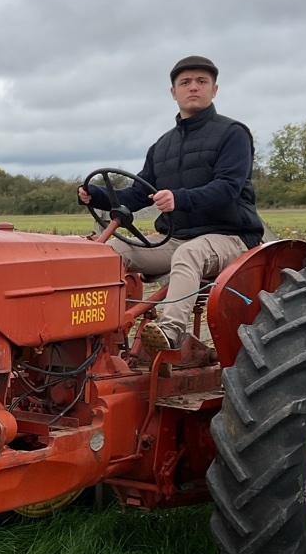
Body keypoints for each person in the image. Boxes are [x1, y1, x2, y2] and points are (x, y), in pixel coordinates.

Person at [79, 55, 264, 351]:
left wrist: (180, 199)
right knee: (111, 250)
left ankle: (170, 332)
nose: (194, 87)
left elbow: (228, 188)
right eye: (185, 82)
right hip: (175, 238)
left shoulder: (233, 134)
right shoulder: (162, 146)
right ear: (173, 92)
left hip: (230, 236)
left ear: (214, 90)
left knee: (190, 254)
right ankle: (102, 335)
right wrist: (97, 194)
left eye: (202, 82)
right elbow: (139, 194)